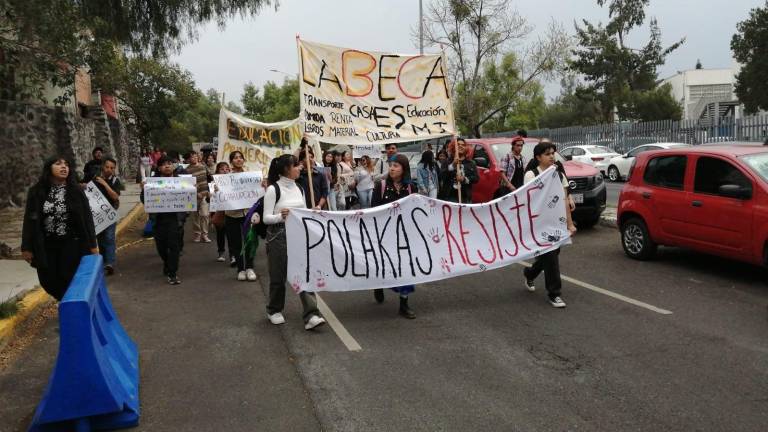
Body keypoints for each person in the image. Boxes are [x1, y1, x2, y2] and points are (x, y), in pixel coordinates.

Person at [263, 154, 326, 330]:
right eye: (296, 165)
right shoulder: (273, 189)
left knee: (304, 273)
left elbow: (303, 212)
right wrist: (280, 216)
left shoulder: (300, 187)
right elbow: (266, 218)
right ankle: (274, 310)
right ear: (286, 169)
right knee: (278, 276)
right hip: (278, 236)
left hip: (298, 235)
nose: (300, 168)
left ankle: (311, 314)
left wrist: (312, 211)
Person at [22, 157, 99, 300]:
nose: (64, 167)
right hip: (47, 246)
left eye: (66, 164)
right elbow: (29, 220)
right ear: (49, 168)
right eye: (58, 164)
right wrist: (26, 247)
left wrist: (93, 245)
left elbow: (87, 219)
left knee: (70, 278)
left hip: (72, 244)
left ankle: (69, 304)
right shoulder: (36, 192)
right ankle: (64, 300)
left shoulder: (76, 191)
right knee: (48, 281)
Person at [522, 141, 577, 308]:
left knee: (550, 253)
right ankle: (554, 293)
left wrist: (569, 224)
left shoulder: (559, 175)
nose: (552, 156)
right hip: (539, 224)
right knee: (551, 256)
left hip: (556, 223)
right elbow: (529, 200)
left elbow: (564, 200)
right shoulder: (531, 175)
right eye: (547, 154)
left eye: (553, 153)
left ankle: (530, 273)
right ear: (538, 157)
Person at [370, 154, 416, 319]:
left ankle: (404, 304)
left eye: (396, 166)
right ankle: (378, 283)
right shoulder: (381, 186)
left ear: (404, 169)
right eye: (391, 165)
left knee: (405, 268)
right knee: (384, 265)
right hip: (385, 235)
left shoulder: (411, 188)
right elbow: (373, 210)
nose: (392, 168)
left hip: (404, 235)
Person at [141, 156, 185, 284]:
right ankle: (167, 262)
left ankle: (173, 273)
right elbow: (144, 200)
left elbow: (188, 198)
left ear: (173, 166)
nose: (167, 166)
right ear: (159, 168)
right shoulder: (152, 183)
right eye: (164, 164)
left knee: (174, 246)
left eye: (169, 163)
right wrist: (144, 190)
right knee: (161, 247)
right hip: (158, 219)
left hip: (175, 219)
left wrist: (192, 190)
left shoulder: (181, 182)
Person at [225, 150, 256, 281]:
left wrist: (262, 185)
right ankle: (240, 269)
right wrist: (217, 190)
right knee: (236, 243)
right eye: (235, 158)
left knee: (249, 241)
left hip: (248, 214)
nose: (238, 159)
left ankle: (249, 267)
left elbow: (257, 191)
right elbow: (218, 195)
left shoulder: (251, 175)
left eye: (240, 157)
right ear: (231, 161)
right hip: (232, 215)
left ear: (244, 160)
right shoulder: (225, 178)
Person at [93, 157, 123, 275]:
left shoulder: (115, 181)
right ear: (102, 167)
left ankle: (110, 263)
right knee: (100, 239)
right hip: (97, 214)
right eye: (107, 167)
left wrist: (105, 184)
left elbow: (115, 196)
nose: (109, 170)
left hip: (110, 213)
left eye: (112, 168)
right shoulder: (94, 178)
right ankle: (104, 261)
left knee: (109, 237)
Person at [185, 151, 211, 243]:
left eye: (196, 156)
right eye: (192, 157)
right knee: (194, 216)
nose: (195, 158)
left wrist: (210, 190)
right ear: (188, 159)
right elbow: (186, 185)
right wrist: (195, 193)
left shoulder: (203, 166)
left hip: (205, 194)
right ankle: (197, 234)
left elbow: (210, 178)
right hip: (193, 197)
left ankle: (205, 234)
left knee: (205, 215)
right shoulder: (186, 170)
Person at [444, 138, 479, 203]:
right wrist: (453, 165)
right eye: (458, 145)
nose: (460, 146)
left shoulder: (471, 163)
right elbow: (442, 176)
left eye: (463, 145)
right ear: (453, 147)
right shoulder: (447, 162)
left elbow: (476, 178)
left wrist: (464, 179)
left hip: (466, 197)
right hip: (451, 197)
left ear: (466, 148)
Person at [295, 144, 328, 209]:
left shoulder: (320, 175)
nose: (310, 159)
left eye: (312, 157)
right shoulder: (298, 176)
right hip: (303, 209)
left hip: (318, 209)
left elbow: (325, 192)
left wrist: (319, 206)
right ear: (301, 161)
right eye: (307, 157)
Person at [212, 162, 230, 262]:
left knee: (231, 233)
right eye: (222, 169)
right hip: (219, 211)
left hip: (231, 210)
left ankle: (233, 254)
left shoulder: (233, 181)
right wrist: (214, 191)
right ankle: (221, 252)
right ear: (217, 171)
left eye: (227, 169)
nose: (225, 171)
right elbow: (210, 197)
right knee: (220, 232)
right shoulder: (213, 183)